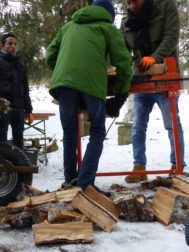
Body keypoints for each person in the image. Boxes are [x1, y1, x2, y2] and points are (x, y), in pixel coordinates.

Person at [46, 0, 133, 193]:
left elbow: (50, 56)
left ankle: (70, 182)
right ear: (109, 15)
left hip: (64, 86)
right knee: (97, 132)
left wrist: (67, 71)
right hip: (92, 86)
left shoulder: (68, 26)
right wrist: (120, 94)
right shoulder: (107, 28)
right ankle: (85, 183)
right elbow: (124, 63)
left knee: (69, 135)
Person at [121, 0, 186, 183]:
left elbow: (171, 36)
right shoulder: (126, 22)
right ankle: (139, 167)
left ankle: (177, 166)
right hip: (141, 79)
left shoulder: (166, 7)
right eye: (128, 2)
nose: (132, 5)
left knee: (172, 124)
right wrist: (122, 67)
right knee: (138, 126)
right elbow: (123, 49)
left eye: (135, 1)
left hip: (166, 76)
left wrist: (155, 57)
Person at [0, 33, 33, 150]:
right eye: (10, 43)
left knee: (19, 139)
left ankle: (19, 166)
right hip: (2, 108)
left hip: (19, 108)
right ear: (2, 46)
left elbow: (25, 89)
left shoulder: (20, 66)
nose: (13, 46)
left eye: (15, 44)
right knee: (1, 139)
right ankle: (1, 165)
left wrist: (29, 110)